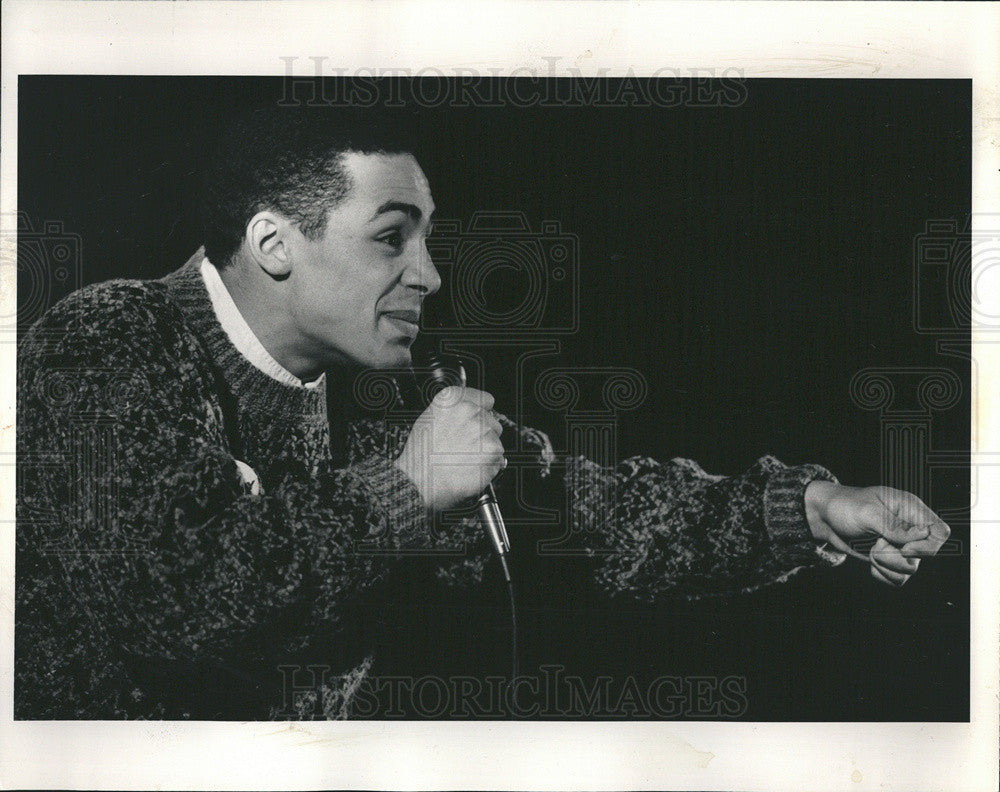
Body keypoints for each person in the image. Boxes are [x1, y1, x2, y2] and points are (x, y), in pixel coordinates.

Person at [15, 105, 951, 720]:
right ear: (273, 242)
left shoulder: (383, 384)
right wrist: (407, 489)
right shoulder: (107, 342)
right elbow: (171, 604)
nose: (429, 275)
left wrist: (804, 510)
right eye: (393, 240)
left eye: (427, 242)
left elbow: (585, 509)